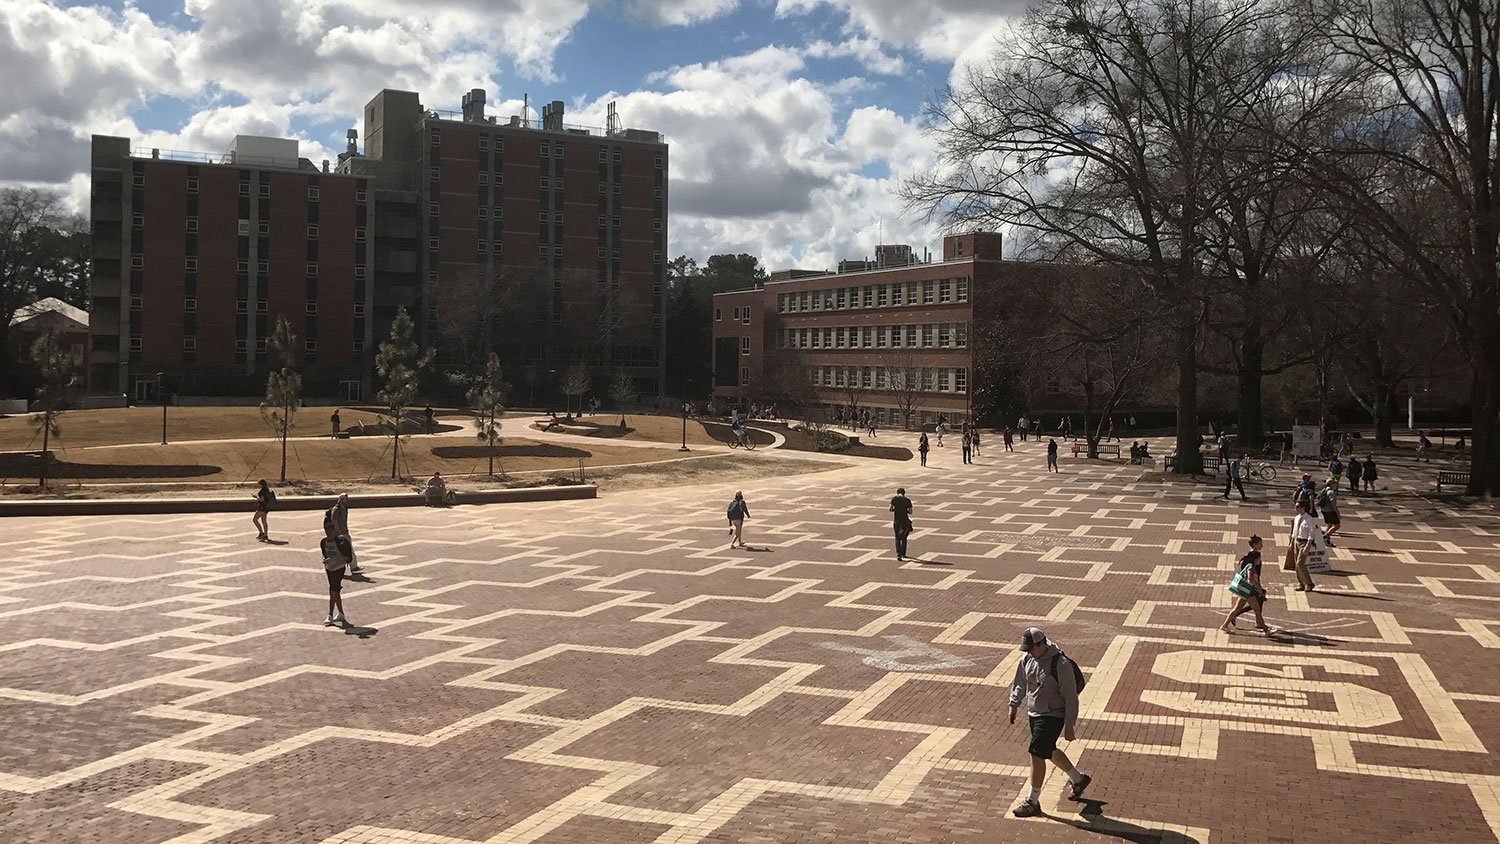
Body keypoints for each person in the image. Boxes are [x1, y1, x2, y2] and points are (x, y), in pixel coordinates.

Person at [1008, 627, 1091, 817]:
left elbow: (1071, 697)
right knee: (1048, 750)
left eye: (1031, 648)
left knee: (1036, 753)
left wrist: (1069, 724)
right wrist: (1013, 704)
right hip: (1035, 712)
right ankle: (1078, 779)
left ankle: (1032, 801)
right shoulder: (1028, 659)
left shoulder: (1060, 664)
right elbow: (1020, 682)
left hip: (1053, 715)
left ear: (1041, 644)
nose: (1029, 652)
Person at [1221, 535, 1271, 634]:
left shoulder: (1249, 558)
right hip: (1248, 589)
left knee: (1238, 608)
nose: (1262, 545)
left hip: (1245, 589)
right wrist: (1258, 587)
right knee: (1256, 609)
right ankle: (1265, 628)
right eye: (1260, 543)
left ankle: (1225, 625)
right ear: (1255, 544)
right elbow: (1251, 577)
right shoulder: (1251, 563)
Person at [320, 517, 354, 627]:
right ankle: (341, 613)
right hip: (329, 568)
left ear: (334, 531)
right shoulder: (323, 542)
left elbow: (347, 558)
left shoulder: (341, 541)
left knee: (333, 590)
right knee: (335, 591)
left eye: (330, 532)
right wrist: (326, 560)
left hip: (339, 568)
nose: (328, 534)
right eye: (326, 532)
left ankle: (330, 614)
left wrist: (334, 560)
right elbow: (325, 554)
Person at [326, 493, 361, 574]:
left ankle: (353, 567)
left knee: (347, 550)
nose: (347, 500)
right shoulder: (336, 509)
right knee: (346, 550)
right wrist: (339, 533)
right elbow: (334, 522)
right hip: (340, 533)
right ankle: (353, 567)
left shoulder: (344, 508)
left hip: (344, 532)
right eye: (345, 499)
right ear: (341, 499)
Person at [1290, 501, 1318, 592]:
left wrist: (1308, 545)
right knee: (1296, 564)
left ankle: (1309, 583)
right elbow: (1294, 532)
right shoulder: (1297, 518)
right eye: (1296, 507)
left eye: (1298, 507)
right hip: (1296, 541)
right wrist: (1291, 542)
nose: (1296, 509)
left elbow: (1312, 533)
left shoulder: (1309, 519)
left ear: (1303, 508)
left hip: (1304, 542)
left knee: (1300, 563)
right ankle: (1300, 583)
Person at [890, 487, 913, 561]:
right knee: (904, 537)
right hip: (905, 522)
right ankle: (904, 553)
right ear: (904, 493)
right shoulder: (907, 500)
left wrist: (895, 510)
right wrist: (905, 511)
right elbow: (910, 511)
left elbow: (890, 509)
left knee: (897, 537)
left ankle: (898, 554)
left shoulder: (894, 499)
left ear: (897, 493)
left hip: (897, 521)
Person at [1318, 480, 1341, 546]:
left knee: (1329, 525)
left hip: (1324, 510)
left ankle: (1326, 541)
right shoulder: (1331, 492)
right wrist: (1337, 512)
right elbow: (1333, 503)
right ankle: (1326, 536)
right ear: (1332, 484)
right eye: (1335, 484)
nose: (1336, 486)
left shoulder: (1324, 490)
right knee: (1337, 525)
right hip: (1330, 511)